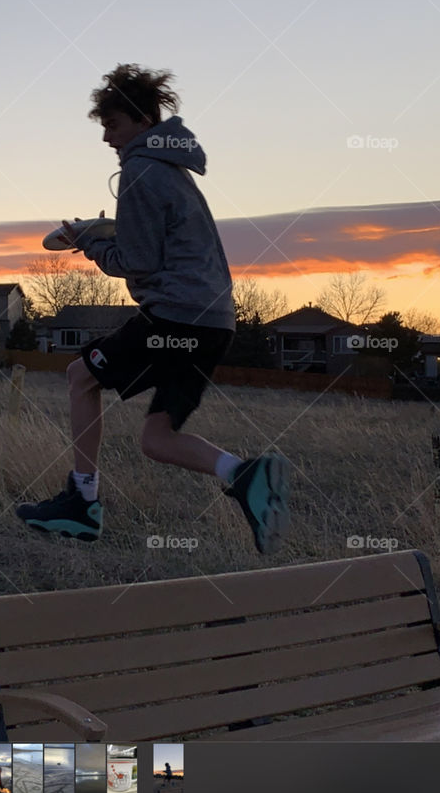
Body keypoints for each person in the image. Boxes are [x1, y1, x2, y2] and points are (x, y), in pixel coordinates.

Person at [16, 64, 290, 554]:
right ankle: (244, 473)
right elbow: (161, 245)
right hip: (213, 322)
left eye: (113, 125)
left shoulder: (139, 172)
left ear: (143, 121)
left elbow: (137, 263)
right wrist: (110, 233)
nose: (105, 137)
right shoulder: (172, 171)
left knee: (81, 376)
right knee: (157, 441)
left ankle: (81, 506)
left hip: (176, 317)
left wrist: (90, 245)